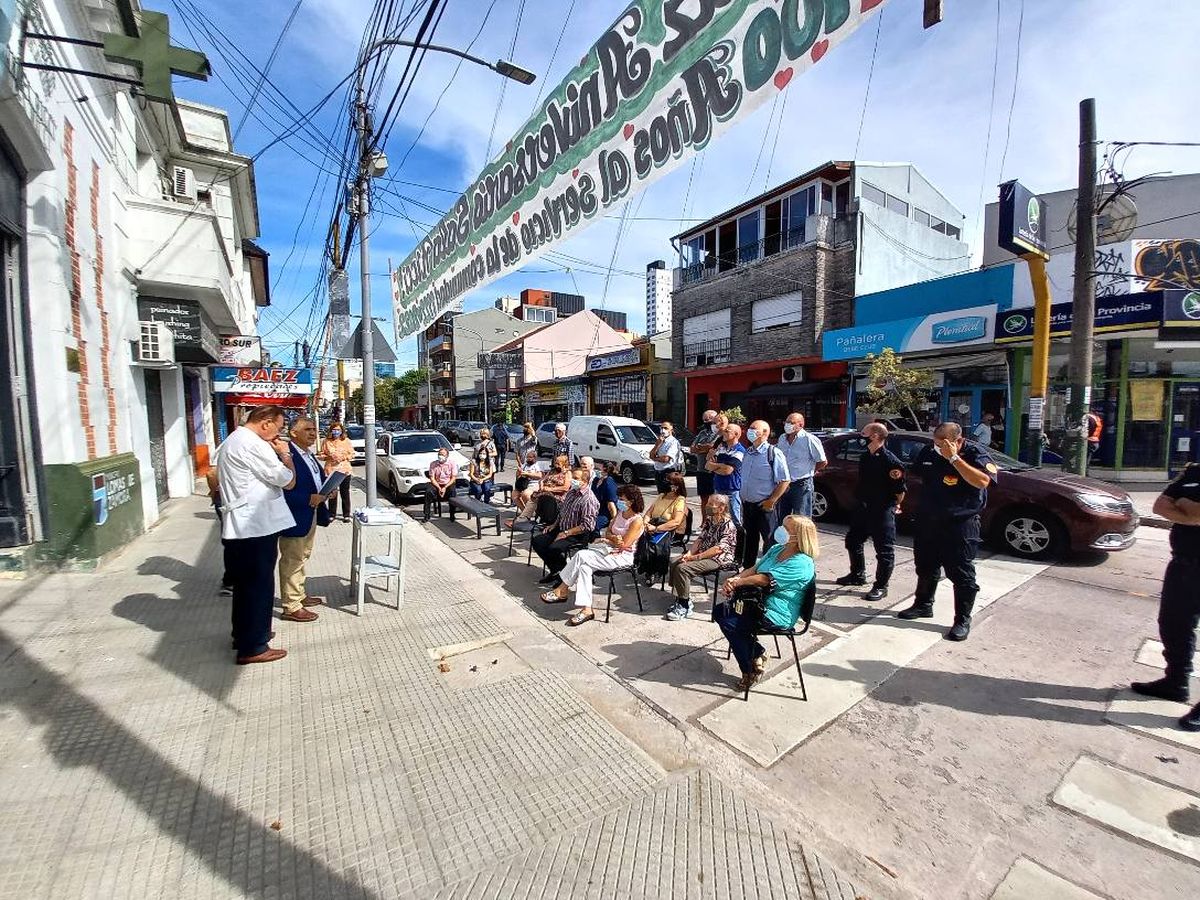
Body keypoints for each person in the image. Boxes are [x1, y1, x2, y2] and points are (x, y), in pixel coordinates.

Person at [897, 422, 997, 642]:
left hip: (960, 524)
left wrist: (954, 458)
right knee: (925, 566)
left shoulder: (975, 453)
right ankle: (923, 604)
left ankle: (962, 619)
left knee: (961, 573)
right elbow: (915, 472)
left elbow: (983, 482)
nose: (937, 447)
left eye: (943, 443)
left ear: (958, 441)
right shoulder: (929, 451)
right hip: (928, 521)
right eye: (935, 442)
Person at [214, 405, 296, 665]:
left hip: (246, 524)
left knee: (246, 585)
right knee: (258, 586)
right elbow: (287, 479)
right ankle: (254, 646)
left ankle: (246, 634)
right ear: (265, 423)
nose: (278, 435)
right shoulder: (253, 444)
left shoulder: (235, 440)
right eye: (278, 428)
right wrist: (285, 455)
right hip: (255, 525)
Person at [715, 515, 819, 691]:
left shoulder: (802, 563)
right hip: (755, 602)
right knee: (720, 612)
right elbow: (754, 569)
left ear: (799, 536)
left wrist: (738, 583)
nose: (781, 530)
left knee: (730, 622)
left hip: (775, 612)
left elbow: (765, 579)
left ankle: (750, 668)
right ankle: (757, 653)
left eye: (787, 529)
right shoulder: (777, 549)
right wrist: (735, 579)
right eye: (783, 526)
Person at [1133, 462, 1200, 732]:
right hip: (1183, 563)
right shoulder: (1194, 471)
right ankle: (1176, 683)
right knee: (1173, 624)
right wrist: (1192, 514)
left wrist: (1186, 505)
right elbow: (1160, 506)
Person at [540, 484, 646, 627]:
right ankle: (587, 609)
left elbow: (624, 544)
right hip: (607, 549)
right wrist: (612, 538)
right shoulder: (620, 514)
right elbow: (608, 531)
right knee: (584, 568)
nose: (619, 502)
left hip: (622, 556)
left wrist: (612, 539)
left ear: (631, 501)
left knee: (582, 555)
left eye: (622, 499)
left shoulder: (637, 520)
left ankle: (562, 589)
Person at [836, 423, 906, 602]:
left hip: (881, 509)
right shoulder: (866, 456)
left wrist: (894, 505)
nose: (861, 435)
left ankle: (881, 586)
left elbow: (900, 491)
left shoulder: (890, 461)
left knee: (884, 550)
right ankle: (857, 574)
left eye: (864, 433)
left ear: (875, 436)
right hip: (864, 507)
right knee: (853, 540)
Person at [277, 417, 332, 624]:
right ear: (293, 433)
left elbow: (315, 478)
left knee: (303, 556)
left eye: (314, 429)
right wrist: (308, 498)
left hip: (311, 513)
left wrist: (328, 489)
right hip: (295, 515)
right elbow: (282, 488)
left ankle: (299, 595)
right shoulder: (285, 455)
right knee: (292, 559)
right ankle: (291, 606)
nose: (313, 433)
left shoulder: (307, 454)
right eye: (307, 429)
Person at [665, 494, 738, 621]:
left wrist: (696, 557)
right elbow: (700, 539)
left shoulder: (728, 526)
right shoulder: (710, 520)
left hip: (718, 559)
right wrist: (689, 554)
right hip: (702, 554)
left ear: (721, 508)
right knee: (674, 562)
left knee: (683, 569)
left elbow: (718, 549)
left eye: (711, 504)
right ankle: (681, 597)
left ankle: (684, 605)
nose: (707, 506)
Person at [738, 420, 791, 570]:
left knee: (769, 539)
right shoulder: (748, 452)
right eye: (750, 428)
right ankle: (748, 568)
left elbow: (785, 480)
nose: (750, 431)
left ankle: (767, 570)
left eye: (754, 429)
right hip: (748, 504)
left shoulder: (773, 453)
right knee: (750, 538)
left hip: (765, 506)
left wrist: (771, 501)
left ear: (765, 433)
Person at [533, 466, 599, 583]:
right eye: (572, 477)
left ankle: (563, 576)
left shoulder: (588, 499)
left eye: (576, 478)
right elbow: (563, 512)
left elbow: (588, 525)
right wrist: (553, 525)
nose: (573, 480)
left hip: (576, 534)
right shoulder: (571, 492)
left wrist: (566, 533)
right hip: (561, 528)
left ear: (585, 481)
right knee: (538, 541)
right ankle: (558, 571)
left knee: (554, 548)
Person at [778, 412, 827, 519]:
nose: (787, 425)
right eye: (786, 422)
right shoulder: (782, 438)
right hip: (783, 484)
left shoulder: (809, 439)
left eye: (791, 422)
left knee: (801, 519)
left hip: (801, 484)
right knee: (782, 519)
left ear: (801, 425)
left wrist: (810, 471)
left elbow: (822, 461)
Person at [509, 453, 570, 526]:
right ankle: (524, 517)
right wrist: (541, 485)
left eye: (558, 463)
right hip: (545, 492)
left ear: (564, 464)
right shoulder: (552, 471)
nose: (556, 465)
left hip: (556, 496)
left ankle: (529, 517)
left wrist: (550, 489)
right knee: (534, 497)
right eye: (555, 463)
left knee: (539, 497)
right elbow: (542, 480)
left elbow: (565, 487)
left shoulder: (567, 473)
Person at [707, 422, 746, 525]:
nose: (723, 433)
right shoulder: (721, 448)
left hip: (732, 490)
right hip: (718, 488)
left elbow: (727, 471)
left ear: (736, 434)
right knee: (717, 518)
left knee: (734, 520)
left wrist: (715, 467)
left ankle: (738, 540)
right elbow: (707, 465)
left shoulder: (740, 450)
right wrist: (719, 467)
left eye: (727, 431)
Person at [205, 468, 234, 596]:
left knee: (231, 542)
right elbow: (211, 473)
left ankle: (230, 581)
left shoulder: (225, 449)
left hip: (225, 499)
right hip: (229, 501)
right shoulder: (228, 450)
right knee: (233, 542)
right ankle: (230, 581)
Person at [319, 422, 354, 522]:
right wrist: (329, 457)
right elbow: (321, 455)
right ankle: (331, 514)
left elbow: (352, 454)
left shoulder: (346, 441)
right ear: (331, 431)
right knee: (332, 493)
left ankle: (346, 515)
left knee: (345, 492)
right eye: (334, 430)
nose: (336, 432)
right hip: (331, 470)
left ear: (342, 431)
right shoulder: (326, 441)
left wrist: (343, 457)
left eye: (338, 430)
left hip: (344, 470)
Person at [691, 410, 721, 524]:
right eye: (705, 419)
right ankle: (704, 523)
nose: (707, 422)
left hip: (714, 471)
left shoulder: (719, 433)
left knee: (715, 499)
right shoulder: (702, 433)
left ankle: (715, 523)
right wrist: (703, 448)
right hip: (701, 470)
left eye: (709, 419)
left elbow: (713, 447)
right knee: (704, 499)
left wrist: (701, 448)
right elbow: (692, 448)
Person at [422, 446, 458, 522]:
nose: (441, 456)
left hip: (448, 483)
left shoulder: (452, 463)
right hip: (437, 483)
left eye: (443, 454)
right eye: (439, 454)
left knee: (452, 492)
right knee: (428, 492)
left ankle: (452, 514)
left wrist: (445, 487)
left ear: (447, 456)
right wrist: (439, 488)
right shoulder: (433, 464)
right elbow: (432, 478)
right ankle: (426, 515)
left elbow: (453, 478)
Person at [650, 421, 683, 494]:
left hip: (668, 472)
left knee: (669, 495)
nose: (663, 430)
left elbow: (666, 459)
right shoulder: (659, 441)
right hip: (658, 472)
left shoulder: (673, 442)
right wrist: (657, 445)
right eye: (661, 428)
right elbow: (651, 455)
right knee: (661, 495)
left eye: (665, 428)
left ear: (671, 430)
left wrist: (655, 458)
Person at [592, 459, 619, 531]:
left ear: (604, 468)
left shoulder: (609, 482)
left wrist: (614, 520)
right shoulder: (596, 480)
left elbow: (611, 503)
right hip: (594, 510)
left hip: (604, 513)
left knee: (594, 525)